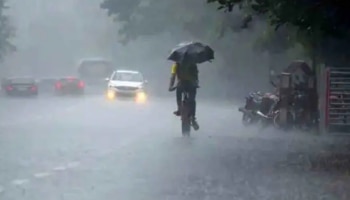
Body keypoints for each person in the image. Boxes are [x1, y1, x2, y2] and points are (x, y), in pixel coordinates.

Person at [168, 61, 199, 130]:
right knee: (192, 99)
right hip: (191, 85)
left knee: (178, 94)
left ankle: (179, 109)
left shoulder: (176, 65)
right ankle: (193, 117)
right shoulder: (193, 63)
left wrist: (170, 86)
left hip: (181, 85)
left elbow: (173, 76)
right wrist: (196, 83)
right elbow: (196, 76)